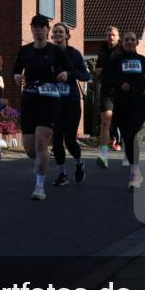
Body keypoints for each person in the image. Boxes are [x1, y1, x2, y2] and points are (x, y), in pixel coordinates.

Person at [13, 14, 75, 200]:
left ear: (47, 31)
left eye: (42, 27)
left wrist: (65, 74)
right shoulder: (24, 51)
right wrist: (17, 77)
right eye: (35, 27)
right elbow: (16, 71)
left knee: (41, 141)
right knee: (31, 150)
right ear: (31, 29)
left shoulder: (56, 51)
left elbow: (71, 70)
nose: (39, 30)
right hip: (30, 100)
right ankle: (41, 160)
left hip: (50, 99)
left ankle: (39, 187)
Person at [104, 31, 145, 189]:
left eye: (132, 40)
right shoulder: (116, 60)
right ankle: (135, 170)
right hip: (121, 104)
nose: (129, 42)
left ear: (137, 43)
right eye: (126, 39)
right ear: (122, 42)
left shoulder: (143, 60)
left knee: (132, 134)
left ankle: (134, 174)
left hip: (139, 104)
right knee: (128, 140)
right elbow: (108, 78)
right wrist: (120, 84)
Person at [50, 22, 90, 186]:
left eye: (61, 32)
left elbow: (85, 76)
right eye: (55, 32)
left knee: (70, 140)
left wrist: (69, 74)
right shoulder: (48, 53)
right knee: (57, 138)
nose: (58, 34)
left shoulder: (74, 54)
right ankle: (62, 174)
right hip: (54, 102)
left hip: (72, 102)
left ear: (67, 35)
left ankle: (79, 163)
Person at [94, 26, 121, 168]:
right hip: (106, 91)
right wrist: (98, 71)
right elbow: (99, 68)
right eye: (108, 35)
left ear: (118, 37)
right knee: (105, 121)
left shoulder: (123, 51)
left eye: (113, 35)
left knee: (124, 123)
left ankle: (128, 151)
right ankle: (104, 155)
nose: (111, 37)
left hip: (121, 91)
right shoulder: (102, 51)